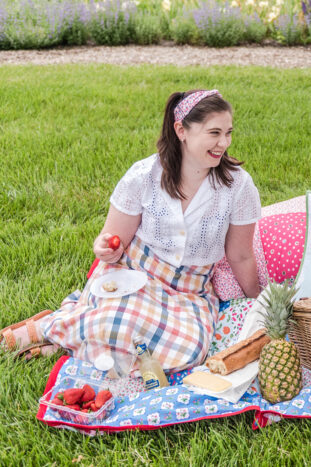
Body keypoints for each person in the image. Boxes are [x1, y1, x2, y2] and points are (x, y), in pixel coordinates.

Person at [1, 90, 261, 372]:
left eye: (228, 133)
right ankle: (46, 328)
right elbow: (111, 240)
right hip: (135, 275)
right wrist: (105, 248)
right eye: (214, 133)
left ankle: (70, 340)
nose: (224, 143)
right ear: (181, 130)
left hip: (190, 290)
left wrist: (259, 301)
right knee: (120, 323)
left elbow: (240, 255)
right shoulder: (144, 175)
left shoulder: (238, 186)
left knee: (188, 353)